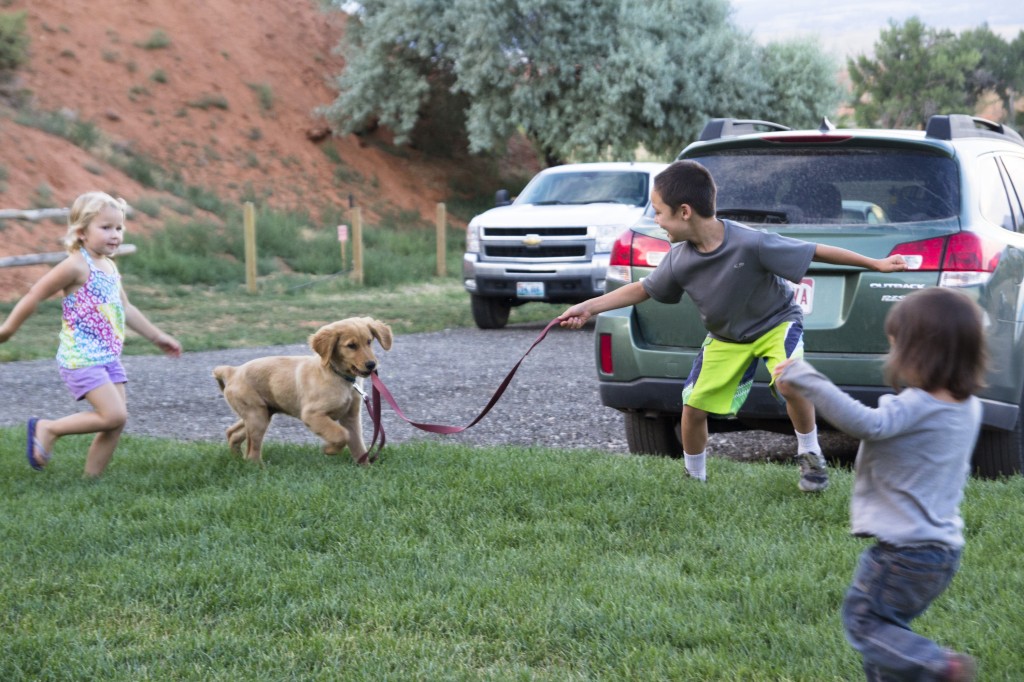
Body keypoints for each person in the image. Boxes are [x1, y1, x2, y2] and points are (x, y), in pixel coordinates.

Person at [558, 160, 907, 488]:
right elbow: (642, 289)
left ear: (684, 212)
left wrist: (874, 264)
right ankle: (694, 479)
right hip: (726, 338)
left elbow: (814, 251)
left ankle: (810, 454)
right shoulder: (680, 259)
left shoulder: (750, 242)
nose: (657, 222)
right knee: (693, 408)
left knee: (790, 381)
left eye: (660, 213)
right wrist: (588, 308)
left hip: (776, 324)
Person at [773, 287, 984, 681]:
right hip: (940, 552)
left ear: (921, 352)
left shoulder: (917, 405)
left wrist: (808, 379)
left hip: (905, 554)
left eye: (896, 348)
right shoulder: (968, 407)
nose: (894, 359)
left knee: (866, 624)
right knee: (887, 642)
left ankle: (939, 665)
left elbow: (866, 424)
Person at [0, 191, 182, 477]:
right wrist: (8, 330)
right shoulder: (76, 265)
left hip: (108, 357)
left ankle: (91, 481)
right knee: (114, 414)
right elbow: (36, 293)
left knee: (116, 422)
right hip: (81, 357)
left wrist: (157, 336)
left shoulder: (109, 266)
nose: (115, 235)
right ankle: (48, 428)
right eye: (106, 227)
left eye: (119, 228)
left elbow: (126, 307)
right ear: (82, 232)